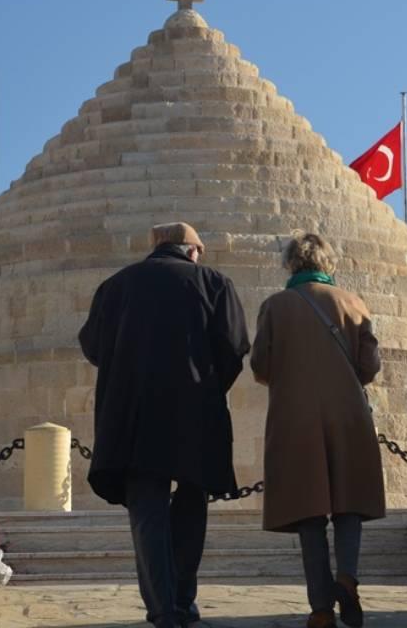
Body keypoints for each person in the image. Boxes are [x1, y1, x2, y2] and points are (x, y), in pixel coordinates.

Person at [78, 222, 250, 628]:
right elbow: (233, 348)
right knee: (192, 500)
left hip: (133, 412)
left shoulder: (115, 286)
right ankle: (183, 598)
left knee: (147, 506)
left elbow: (93, 346)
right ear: (191, 251)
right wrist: (208, 386)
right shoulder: (213, 283)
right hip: (195, 410)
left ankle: (161, 608)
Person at [250, 232, 385, 628]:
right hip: (348, 416)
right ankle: (346, 577)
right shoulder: (354, 304)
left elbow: (260, 366)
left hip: (296, 419)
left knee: (308, 514)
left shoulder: (275, 306)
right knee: (348, 508)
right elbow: (370, 367)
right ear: (328, 264)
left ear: (291, 264)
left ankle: (321, 609)